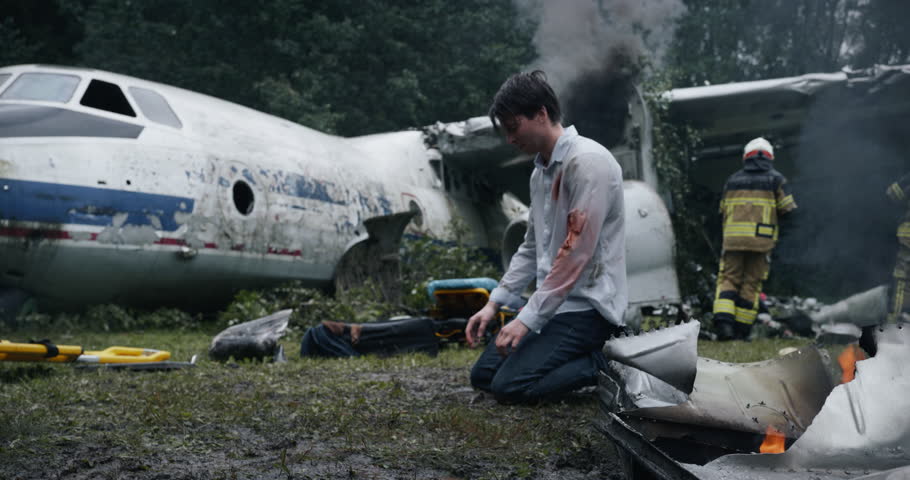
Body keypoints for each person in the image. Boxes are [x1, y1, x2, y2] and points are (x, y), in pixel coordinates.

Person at [465, 70, 627, 404]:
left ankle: (610, 361)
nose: (510, 139)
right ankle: (563, 354)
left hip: (587, 309)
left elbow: (575, 253)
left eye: (513, 127)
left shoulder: (588, 162)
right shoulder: (540, 173)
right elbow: (531, 247)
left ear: (541, 114)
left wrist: (525, 320)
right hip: (553, 308)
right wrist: (494, 304)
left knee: (509, 387)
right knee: (483, 376)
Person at [712, 137, 796, 340]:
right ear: (770, 158)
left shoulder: (732, 180)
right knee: (751, 283)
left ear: (746, 157)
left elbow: (721, 210)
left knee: (728, 279)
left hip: (733, 240)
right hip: (762, 241)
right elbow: (789, 210)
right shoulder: (776, 180)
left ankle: (724, 325)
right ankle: (742, 330)